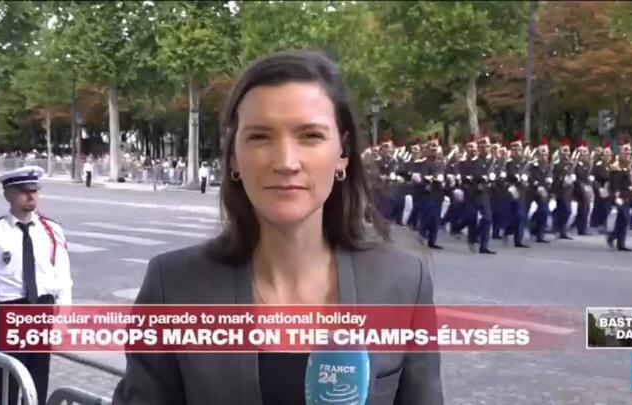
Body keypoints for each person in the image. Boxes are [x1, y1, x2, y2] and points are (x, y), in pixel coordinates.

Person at [112, 50, 443, 405]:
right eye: (260, 137)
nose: (286, 162)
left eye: (310, 136)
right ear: (234, 157)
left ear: (342, 154)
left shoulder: (404, 281)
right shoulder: (173, 286)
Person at [0, 166, 73, 405]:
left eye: (35, 191)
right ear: (8, 194)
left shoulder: (52, 231)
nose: (32, 196)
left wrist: (64, 320)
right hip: (9, 315)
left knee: (38, 384)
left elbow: (62, 280)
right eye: (23, 191)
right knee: (6, 384)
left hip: (42, 313)